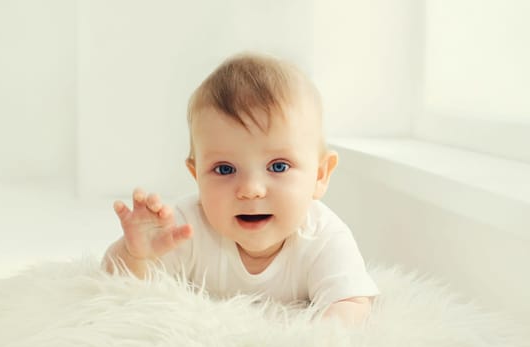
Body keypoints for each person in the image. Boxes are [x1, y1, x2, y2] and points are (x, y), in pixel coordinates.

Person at [102, 52, 379, 325]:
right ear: (196, 175)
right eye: (225, 169)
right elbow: (117, 290)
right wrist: (135, 255)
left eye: (278, 166)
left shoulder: (323, 237)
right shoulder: (185, 228)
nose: (251, 190)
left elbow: (351, 302)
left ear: (320, 175)